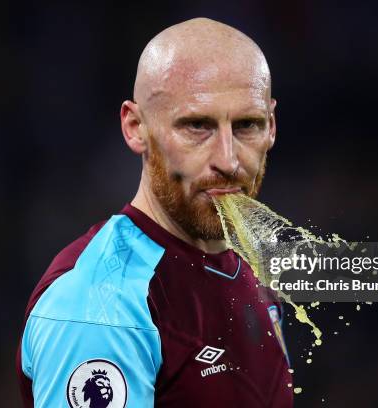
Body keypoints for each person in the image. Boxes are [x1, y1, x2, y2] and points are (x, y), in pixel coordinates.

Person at [17, 17, 292, 407]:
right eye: (197, 125)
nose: (229, 161)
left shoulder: (249, 264)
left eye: (247, 125)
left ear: (272, 126)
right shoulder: (100, 304)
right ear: (135, 127)